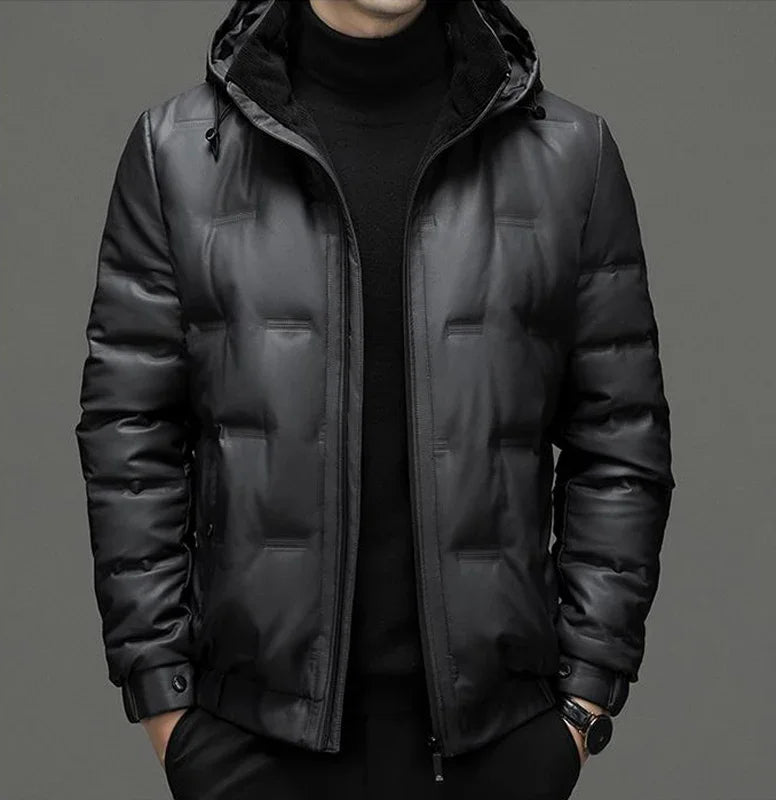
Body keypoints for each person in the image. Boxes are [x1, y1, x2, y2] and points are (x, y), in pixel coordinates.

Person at [74, 1, 675, 798]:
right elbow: (130, 440)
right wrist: (168, 708)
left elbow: (620, 439)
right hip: (250, 748)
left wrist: (582, 704)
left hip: (497, 749)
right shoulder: (176, 154)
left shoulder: (571, 156)